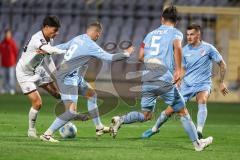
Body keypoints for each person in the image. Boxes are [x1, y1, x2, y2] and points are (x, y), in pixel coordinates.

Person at [110, 6, 213, 151]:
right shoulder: (176, 33)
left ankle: (121, 119)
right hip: (164, 79)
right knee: (183, 111)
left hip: (148, 79)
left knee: (146, 115)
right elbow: (177, 47)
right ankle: (197, 144)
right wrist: (178, 70)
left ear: (162, 19)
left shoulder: (150, 34)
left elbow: (140, 56)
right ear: (176, 21)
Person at [39, 22, 134, 142]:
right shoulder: (91, 45)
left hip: (75, 76)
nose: (98, 37)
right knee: (71, 112)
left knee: (92, 95)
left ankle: (99, 127)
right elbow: (109, 58)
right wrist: (127, 54)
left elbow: (64, 46)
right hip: (67, 77)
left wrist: (48, 50)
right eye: (98, 34)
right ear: (96, 33)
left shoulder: (78, 38)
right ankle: (47, 134)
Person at [147, 24, 228, 139]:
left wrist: (221, 82)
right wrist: (178, 78)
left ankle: (199, 131)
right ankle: (154, 128)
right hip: (187, 85)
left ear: (198, 35)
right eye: (187, 34)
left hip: (203, 84)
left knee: (202, 100)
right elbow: (181, 68)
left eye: (192, 34)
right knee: (170, 110)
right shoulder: (184, 50)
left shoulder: (208, 48)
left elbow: (222, 64)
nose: (189, 37)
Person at [16, 16, 67, 138]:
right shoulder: (37, 39)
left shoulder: (49, 40)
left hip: (38, 70)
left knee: (57, 94)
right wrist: (66, 50)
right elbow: (48, 50)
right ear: (46, 27)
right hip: (25, 74)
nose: (57, 33)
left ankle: (67, 118)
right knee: (38, 103)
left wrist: (56, 75)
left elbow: (48, 59)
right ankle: (31, 130)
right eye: (55, 30)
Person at [0, 28, 18, 94]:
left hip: (11, 63)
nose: (7, 35)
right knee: (4, 78)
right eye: (6, 33)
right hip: (4, 63)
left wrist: (14, 61)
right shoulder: (2, 43)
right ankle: (4, 89)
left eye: (8, 33)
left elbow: (16, 52)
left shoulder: (12, 43)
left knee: (11, 77)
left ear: (10, 34)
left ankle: (11, 89)